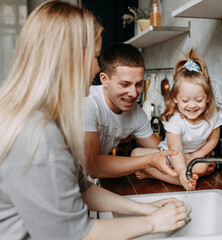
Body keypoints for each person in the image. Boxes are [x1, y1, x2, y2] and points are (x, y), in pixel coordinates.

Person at [0, 1, 187, 239]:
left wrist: (147, 209)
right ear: (69, 59)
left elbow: (83, 190)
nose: (97, 67)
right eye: (96, 57)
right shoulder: (38, 136)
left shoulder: (50, 120)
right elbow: (75, 235)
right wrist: (152, 223)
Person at [132, 49, 222, 190]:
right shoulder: (176, 121)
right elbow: (175, 148)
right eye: (185, 100)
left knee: (201, 166)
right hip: (170, 156)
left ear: (208, 97)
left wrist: (196, 154)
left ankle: (155, 174)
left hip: (193, 159)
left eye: (199, 100)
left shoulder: (212, 117)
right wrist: (181, 171)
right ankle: (179, 179)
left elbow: (213, 140)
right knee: (135, 154)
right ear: (175, 98)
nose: (192, 105)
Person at [83, 43, 179, 179]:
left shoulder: (136, 113)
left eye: (138, 84)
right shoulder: (87, 103)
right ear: (104, 79)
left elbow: (160, 150)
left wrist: (192, 159)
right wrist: (148, 161)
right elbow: (94, 166)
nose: (134, 93)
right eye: (125, 84)